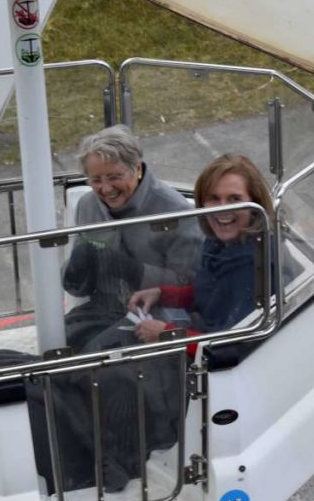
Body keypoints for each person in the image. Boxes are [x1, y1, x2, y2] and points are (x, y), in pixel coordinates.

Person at [127, 154, 292, 354]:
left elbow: (231, 345)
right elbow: (211, 294)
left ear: (254, 204)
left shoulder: (256, 264)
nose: (224, 209)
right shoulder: (221, 242)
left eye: (235, 199)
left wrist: (166, 334)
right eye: (214, 198)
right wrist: (163, 294)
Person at [61, 125, 201, 352]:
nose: (106, 189)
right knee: (62, 345)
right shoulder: (88, 206)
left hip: (156, 312)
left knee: (96, 355)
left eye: (114, 177)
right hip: (104, 308)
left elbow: (191, 283)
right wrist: (75, 274)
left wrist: (132, 270)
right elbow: (79, 288)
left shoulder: (174, 210)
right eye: (96, 180)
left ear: (136, 168)